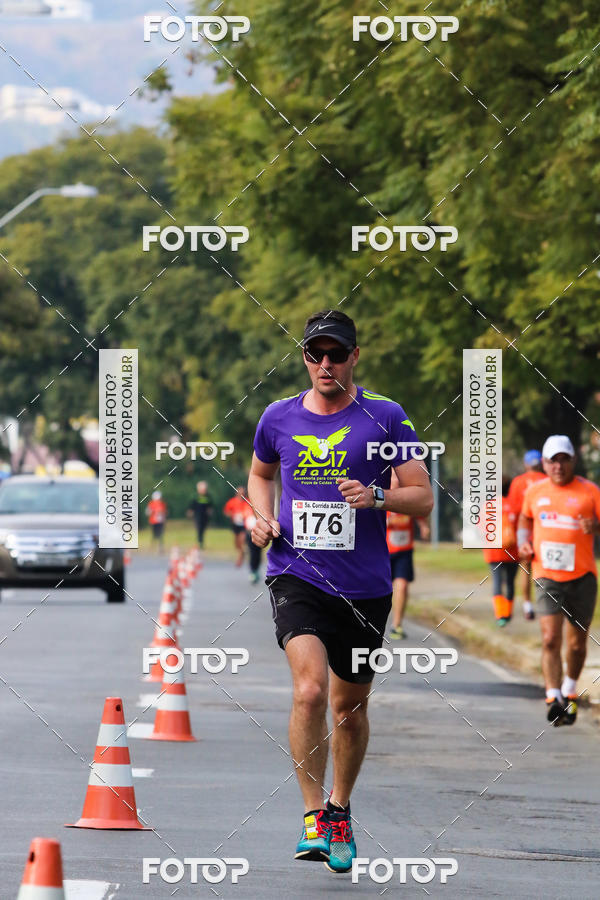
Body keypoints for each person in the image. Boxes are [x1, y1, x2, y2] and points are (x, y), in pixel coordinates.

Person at [248, 309, 433, 873]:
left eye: (335, 354)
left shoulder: (386, 416)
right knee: (309, 691)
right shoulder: (277, 417)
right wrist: (260, 516)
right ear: (304, 358)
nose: (324, 364)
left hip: (364, 587)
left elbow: (422, 496)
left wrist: (377, 498)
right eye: (315, 354)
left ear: (355, 356)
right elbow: (260, 474)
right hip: (296, 574)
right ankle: (312, 815)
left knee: (348, 708)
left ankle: (339, 809)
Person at [518, 435, 600, 726]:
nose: (558, 466)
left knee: (576, 644)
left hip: (582, 576)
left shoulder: (590, 491)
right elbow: (525, 520)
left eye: (564, 460)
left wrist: (596, 526)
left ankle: (569, 689)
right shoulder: (535, 491)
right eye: (553, 461)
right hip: (547, 575)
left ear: (573, 461)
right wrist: (524, 542)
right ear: (544, 463)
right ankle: (553, 698)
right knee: (550, 638)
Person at [387, 470, 430, 639]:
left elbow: (419, 511)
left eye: (399, 477)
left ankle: (396, 625)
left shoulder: (408, 497)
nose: (397, 480)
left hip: (404, 550)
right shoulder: (379, 495)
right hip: (383, 552)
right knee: (381, 590)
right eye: (393, 477)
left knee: (402, 586)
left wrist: (424, 526)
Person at [508, 449, 545, 619]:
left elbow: (513, 509)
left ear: (526, 464)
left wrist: (514, 531)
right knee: (545, 569)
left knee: (526, 567)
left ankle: (528, 605)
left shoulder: (518, 482)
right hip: (544, 530)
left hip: (525, 530)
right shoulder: (547, 480)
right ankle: (546, 604)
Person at [483, 477, 518, 627]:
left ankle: (500, 615)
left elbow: (481, 528)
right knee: (510, 582)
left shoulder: (487, 506)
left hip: (493, 551)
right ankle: (508, 612)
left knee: (497, 581)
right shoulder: (514, 506)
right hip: (512, 551)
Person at [223, 486, 248, 567]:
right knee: (237, 543)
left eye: (243, 493)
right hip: (235, 525)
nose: (241, 495)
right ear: (237, 493)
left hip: (244, 525)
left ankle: (240, 558)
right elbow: (226, 512)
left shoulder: (247, 502)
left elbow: (250, 511)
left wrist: (245, 515)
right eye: (240, 493)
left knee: (242, 540)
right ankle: (241, 552)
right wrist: (233, 515)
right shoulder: (232, 502)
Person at [187, 480, 213, 548]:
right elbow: (192, 505)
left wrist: (210, 511)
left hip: (205, 516)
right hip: (197, 515)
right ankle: (200, 542)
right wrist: (190, 512)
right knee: (199, 528)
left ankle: (201, 541)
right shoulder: (195, 497)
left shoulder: (208, 497)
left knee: (203, 529)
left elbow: (210, 505)